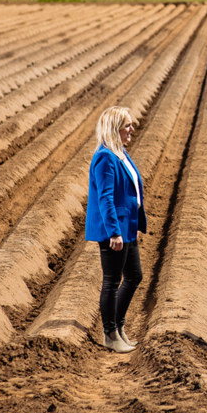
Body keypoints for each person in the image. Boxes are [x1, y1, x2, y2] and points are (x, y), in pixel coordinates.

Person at [85, 106, 147, 353]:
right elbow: (105, 198)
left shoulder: (120, 153)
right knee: (112, 281)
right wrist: (114, 232)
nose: (132, 129)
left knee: (134, 276)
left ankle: (118, 327)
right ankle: (110, 333)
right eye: (127, 125)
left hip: (127, 226)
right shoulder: (105, 157)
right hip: (116, 230)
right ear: (115, 128)